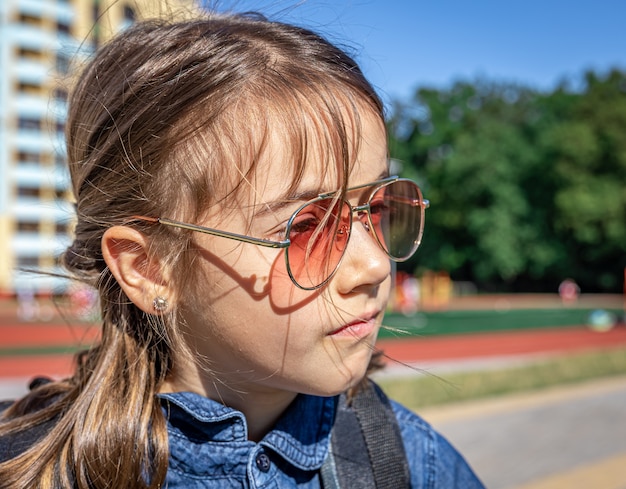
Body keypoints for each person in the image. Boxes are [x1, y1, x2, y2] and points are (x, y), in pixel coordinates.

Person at [0, 11, 484, 488]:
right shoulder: (31, 471)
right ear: (149, 269)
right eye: (307, 226)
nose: (375, 265)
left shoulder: (413, 465)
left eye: (376, 207)